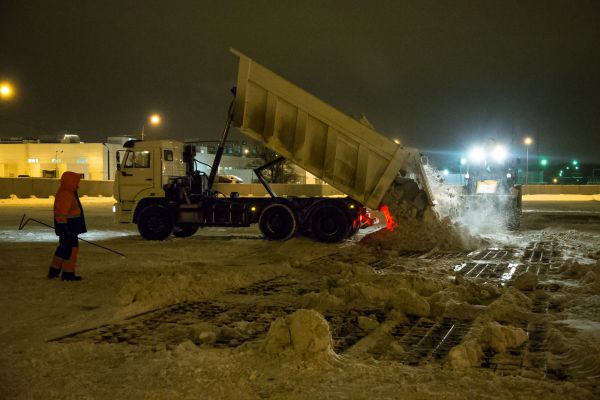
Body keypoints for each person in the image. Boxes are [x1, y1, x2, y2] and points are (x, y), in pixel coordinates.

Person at [48, 171, 87, 281]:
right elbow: (61, 212)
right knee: (69, 249)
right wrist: (63, 227)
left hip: (69, 227)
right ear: (71, 182)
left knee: (65, 249)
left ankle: (55, 271)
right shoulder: (66, 194)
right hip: (68, 227)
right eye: (76, 182)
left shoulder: (68, 192)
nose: (78, 184)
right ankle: (67, 274)